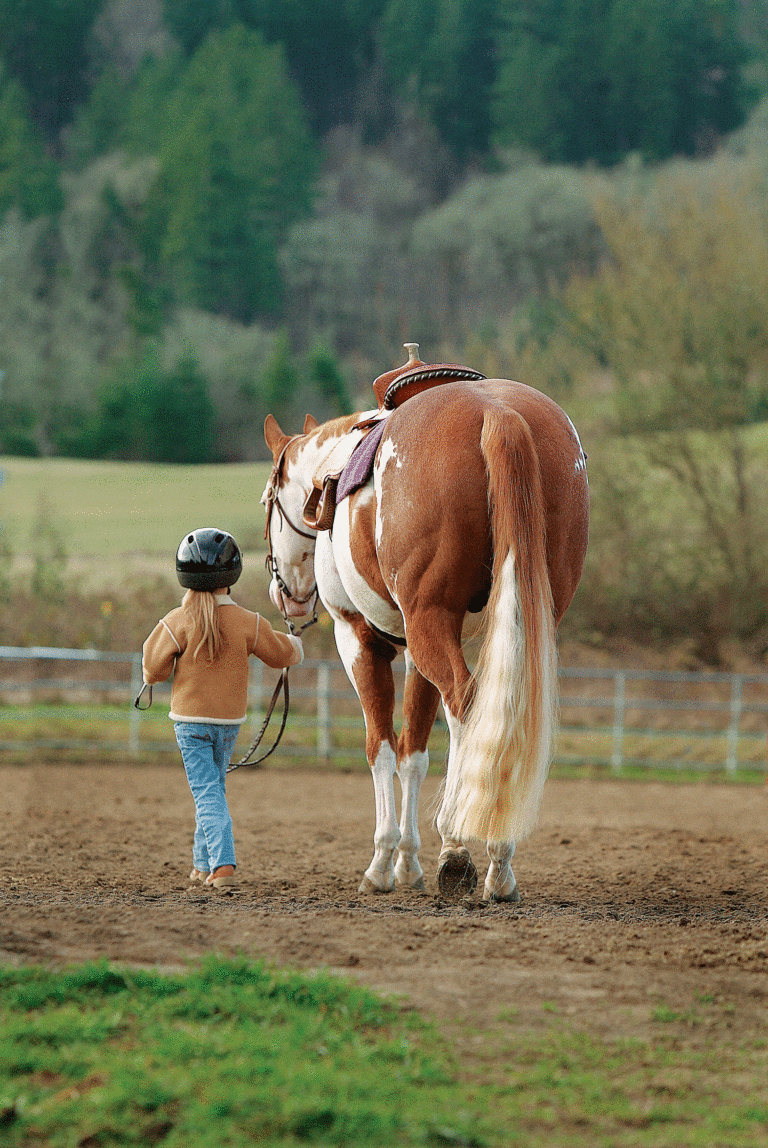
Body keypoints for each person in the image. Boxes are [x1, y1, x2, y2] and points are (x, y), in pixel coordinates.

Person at [140, 528, 303, 889]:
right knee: (213, 790)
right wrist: (296, 641)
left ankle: (223, 865)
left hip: (190, 724)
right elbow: (281, 655)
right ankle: (202, 864)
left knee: (207, 793)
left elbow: (153, 670)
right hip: (229, 723)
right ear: (232, 573)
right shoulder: (248, 621)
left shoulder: (177, 621)